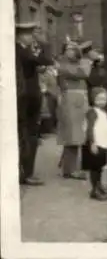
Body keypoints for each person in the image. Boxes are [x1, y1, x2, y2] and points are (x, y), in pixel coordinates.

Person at [16, 22, 54, 185]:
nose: (33, 37)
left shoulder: (24, 50)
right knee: (28, 136)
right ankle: (26, 173)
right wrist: (42, 43)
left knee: (28, 135)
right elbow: (47, 60)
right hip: (26, 97)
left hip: (28, 96)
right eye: (30, 34)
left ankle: (25, 172)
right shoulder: (21, 51)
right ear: (21, 35)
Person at [57, 40, 94, 180]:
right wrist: (82, 55)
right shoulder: (64, 64)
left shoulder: (71, 63)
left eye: (74, 49)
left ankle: (67, 166)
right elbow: (84, 72)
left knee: (77, 135)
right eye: (70, 49)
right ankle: (70, 170)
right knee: (73, 136)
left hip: (78, 100)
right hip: (72, 101)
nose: (73, 51)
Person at [81, 88, 107, 200]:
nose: (102, 101)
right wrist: (92, 142)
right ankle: (94, 189)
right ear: (93, 99)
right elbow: (90, 128)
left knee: (100, 166)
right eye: (99, 99)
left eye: (104, 99)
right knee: (94, 167)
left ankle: (99, 186)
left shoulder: (103, 112)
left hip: (102, 142)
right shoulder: (92, 112)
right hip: (95, 143)